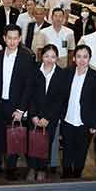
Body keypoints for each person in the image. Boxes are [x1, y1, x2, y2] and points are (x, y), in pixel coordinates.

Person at [0, 24, 35, 180]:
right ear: (4, 38)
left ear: (20, 39)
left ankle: (11, 167)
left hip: (16, 106)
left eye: (15, 38)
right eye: (9, 38)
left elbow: (28, 86)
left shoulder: (26, 58)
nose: (12, 41)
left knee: (14, 138)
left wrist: (21, 109)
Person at [60, 45, 96, 178]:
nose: (82, 60)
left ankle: (77, 174)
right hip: (67, 119)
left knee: (82, 151)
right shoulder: (66, 73)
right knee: (67, 149)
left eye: (85, 57)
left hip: (85, 122)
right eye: (79, 56)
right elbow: (60, 97)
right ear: (74, 58)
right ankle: (66, 174)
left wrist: (95, 123)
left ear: (89, 59)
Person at [27, 44, 67, 183]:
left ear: (57, 58)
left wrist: (47, 117)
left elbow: (60, 100)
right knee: (32, 142)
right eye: (46, 56)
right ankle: (32, 167)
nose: (49, 60)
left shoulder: (61, 74)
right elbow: (30, 94)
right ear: (41, 56)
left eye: (53, 57)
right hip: (34, 115)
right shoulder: (34, 70)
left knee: (46, 143)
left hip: (50, 117)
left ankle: (42, 169)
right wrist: (33, 115)